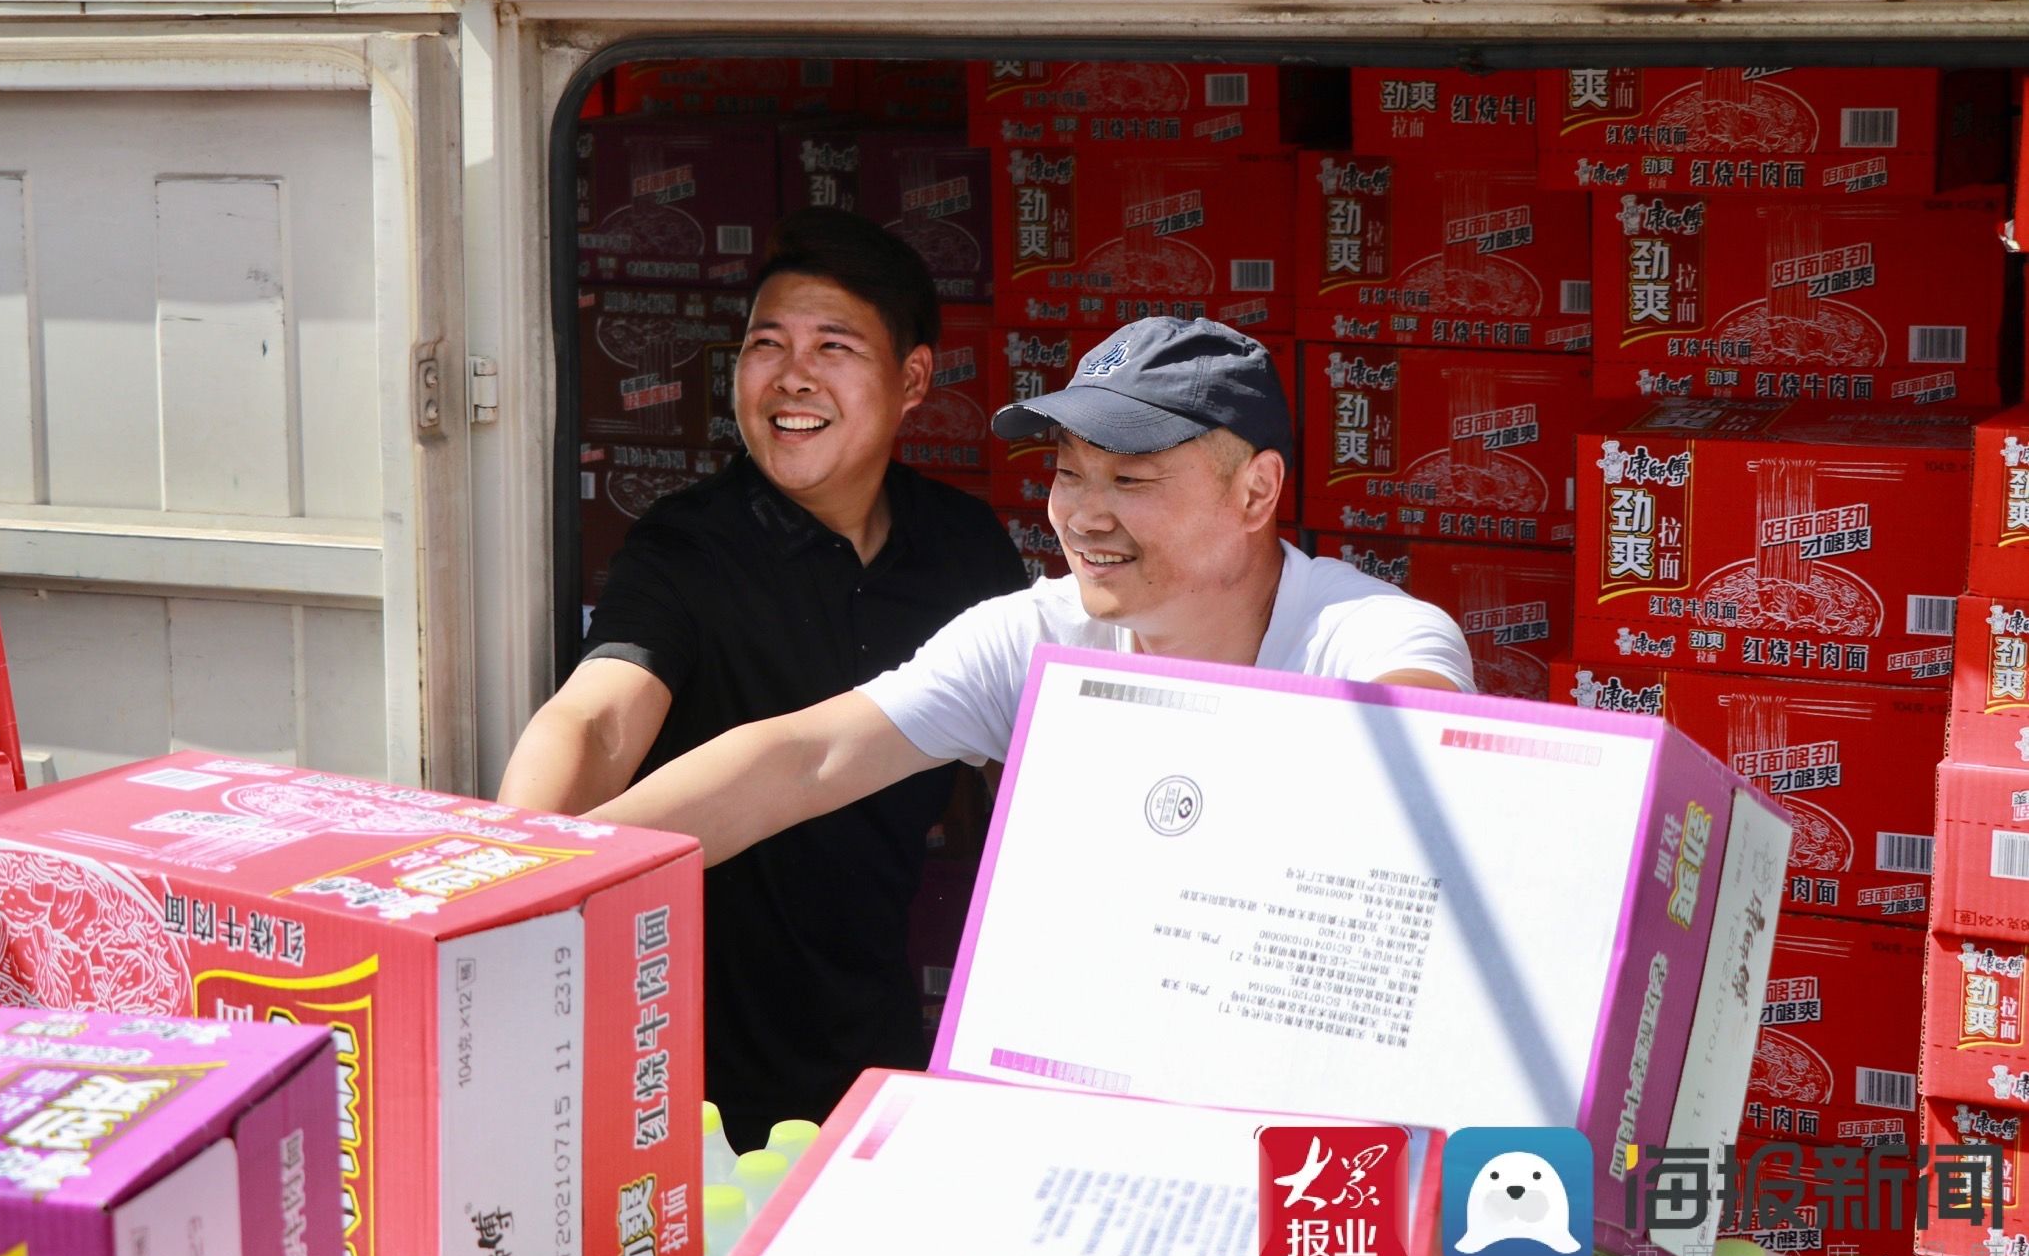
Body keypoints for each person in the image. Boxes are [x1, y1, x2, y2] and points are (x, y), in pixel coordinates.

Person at [500, 207, 1027, 1149]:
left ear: (913, 380)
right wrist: (508, 878)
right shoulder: (686, 545)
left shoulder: (963, 549)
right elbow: (600, 714)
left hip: (870, 1030)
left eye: (833, 346)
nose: (792, 376)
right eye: (766, 345)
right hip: (694, 1057)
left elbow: (1018, 782)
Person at [588, 315, 1476, 874]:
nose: (1084, 517)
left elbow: (1429, 771)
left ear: (1255, 492)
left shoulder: (1365, 637)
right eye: (1066, 473)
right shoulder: (1031, 639)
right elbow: (802, 760)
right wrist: (549, 876)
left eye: (1131, 481)